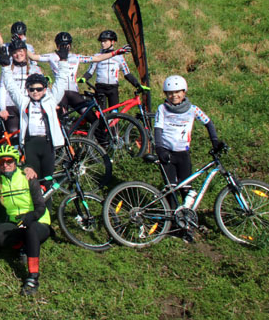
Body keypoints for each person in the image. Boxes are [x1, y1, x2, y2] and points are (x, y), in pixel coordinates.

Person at [0, 45, 70, 185]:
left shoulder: (51, 100)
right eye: (32, 89)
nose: (35, 92)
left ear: (44, 89)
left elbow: (61, 82)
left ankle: (47, 206)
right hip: (30, 145)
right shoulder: (24, 102)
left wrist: (64, 61)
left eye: (39, 89)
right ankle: (35, 206)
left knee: (48, 180)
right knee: (33, 182)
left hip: (48, 144)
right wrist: (6, 67)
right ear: (27, 90)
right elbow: (10, 86)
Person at [0, 144, 52, 296]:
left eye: (9, 161)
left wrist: (31, 217)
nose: (5, 165)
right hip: (17, 223)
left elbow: (40, 206)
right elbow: (0, 214)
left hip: (38, 222)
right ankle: (23, 246)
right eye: (2, 162)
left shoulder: (28, 177)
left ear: (15, 162)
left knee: (30, 230)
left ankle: (32, 277)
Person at [154, 75, 224, 205]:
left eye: (177, 92)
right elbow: (158, 129)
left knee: (185, 188)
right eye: (170, 93)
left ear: (184, 92)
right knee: (171, 189)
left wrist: (215, 142)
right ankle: (171, 221)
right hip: (166, 152)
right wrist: (159, 149)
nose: (174, 95)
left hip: (183, 154)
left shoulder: (193, 109)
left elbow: (208, 123)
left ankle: (184, 218)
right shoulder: (162, 109)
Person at [28, 32, 130, 120]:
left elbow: (97, 58)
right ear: (57, 45)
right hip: (60, 93)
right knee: (62, 120)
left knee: (92, 117)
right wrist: (20, 45)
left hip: (73, 93)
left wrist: (116, 52)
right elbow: (32, 57)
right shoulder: (52, 56)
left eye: (66, 45)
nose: (64, 47)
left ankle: (102, 140)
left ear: (70, 45)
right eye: (61, 45)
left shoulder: (75, 57)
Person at [79, 30, 148, 109]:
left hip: (113, 88)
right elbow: (90, 71)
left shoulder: (119, 57)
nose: (102, 43)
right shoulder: (97, 56)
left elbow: (127, 74)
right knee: (101, 115)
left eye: (105, 41)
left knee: (114, 115)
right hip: (100, 88)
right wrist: (84, 78)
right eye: (101, 41)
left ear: (112, 42)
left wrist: (137, 85)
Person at [0, 36, 43, 134]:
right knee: (13, 132)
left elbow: (43, 89)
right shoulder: (7, 70)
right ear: (11, 55)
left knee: (31, 133)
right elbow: (3, 89)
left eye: (21, 51)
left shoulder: (34, 69)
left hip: (28, 105)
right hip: (10, 106)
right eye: (15, 53)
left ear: (25, 51)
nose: (18, 55)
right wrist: (3, 109)